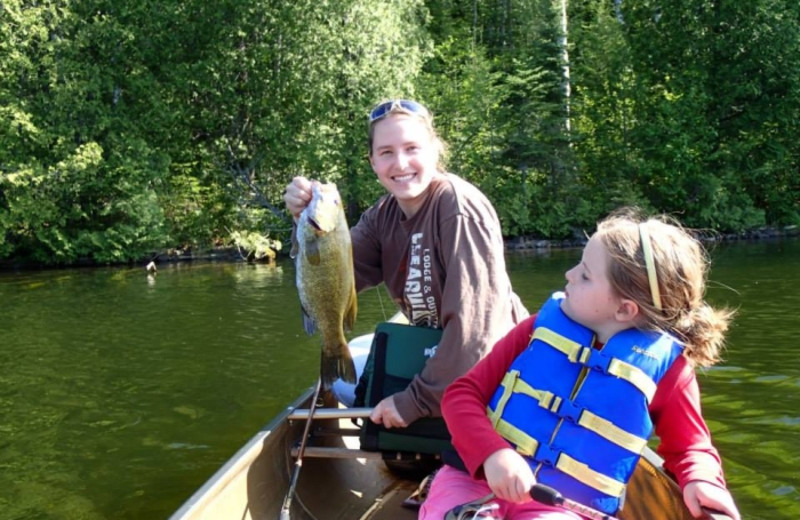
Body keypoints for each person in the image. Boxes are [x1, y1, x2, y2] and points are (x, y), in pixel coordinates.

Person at [420, 209, 741, 520]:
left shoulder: (671, 373)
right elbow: (462, 394)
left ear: (625, 310)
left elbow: (690, 449)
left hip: (562, 507)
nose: (569, 275)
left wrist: (702, 480)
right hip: (472, 480)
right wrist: (493, 454)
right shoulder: (535, 330)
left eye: (585, 274)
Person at [284, 99, 528, 429]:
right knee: (353, 353)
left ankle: (445, 424)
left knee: (351, 376)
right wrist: (304, 222)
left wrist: (414, 401)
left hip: (494, 367)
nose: (400, 163)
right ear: (372, 162)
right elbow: (336, 277)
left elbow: (475, 331)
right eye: (386, 152)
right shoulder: (382, 215)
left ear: (434, 151)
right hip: (439, 350)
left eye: (412, 148)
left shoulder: (457, 208)